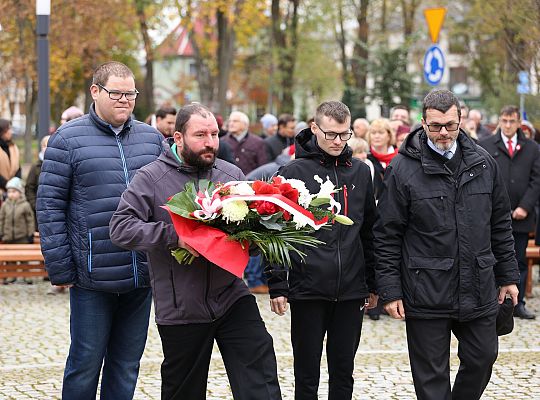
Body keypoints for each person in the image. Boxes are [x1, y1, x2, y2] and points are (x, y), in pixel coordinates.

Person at [109, 103, 281, 400]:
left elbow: (251, 235)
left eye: (214, 134)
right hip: (181, 305)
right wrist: (176, 237)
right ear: (178, 138)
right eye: (200, 135)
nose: (210, 142)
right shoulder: (151, 177)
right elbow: (120, 228)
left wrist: (253, 238)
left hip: (231, 296)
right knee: (183, 392)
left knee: (260, 376)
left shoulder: (231, 174)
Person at [374, 89, 520, 400]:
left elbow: (500, 225)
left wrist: (508, 276)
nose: (443, 132)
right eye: (436, 125)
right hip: (425, 286)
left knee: (482, 357)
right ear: (422, 122)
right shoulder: (402, 169)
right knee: (431, 377)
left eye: (450, 125)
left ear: (461, 120)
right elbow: (387, 234)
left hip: (478, 282)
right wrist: (390, 289)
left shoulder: (483, 163)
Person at [36, 61, 163, 400]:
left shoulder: (152, 140)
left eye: (130, 94)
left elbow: (168, 198)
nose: (124, 100)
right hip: (92, 274)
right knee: (85, 361)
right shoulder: (67, 139)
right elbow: (49, 207)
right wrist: (61, 267)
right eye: (116, 93)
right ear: (95, 91)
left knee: (126, 364)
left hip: (141, 272)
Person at [267, 100, 378, 400]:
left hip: (351, 289)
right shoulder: (291, 171)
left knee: (343, 371)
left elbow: (369, 230)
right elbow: (276, 232)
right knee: (307, 372)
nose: (338, 141)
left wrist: (373, 282)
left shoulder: (360, 172)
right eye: (331, 134)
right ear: (314, 128)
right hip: (308, 288)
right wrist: (278, 284)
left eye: (345, 134)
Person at [479, 105, 540, 319]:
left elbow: (537, 180)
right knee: (492, 258)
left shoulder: (532, 148)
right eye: (503, 120)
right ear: (499, 121)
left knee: (519, 260)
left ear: (518, 123)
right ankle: (494, 302)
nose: (507, 125)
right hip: (492, 216)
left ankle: (518, 303)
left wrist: (525, 206)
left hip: (521, 216)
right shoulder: (485, 145)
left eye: (511, 121)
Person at [0, 177, 35, 285]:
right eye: (9, 191)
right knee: (10, 260)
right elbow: (1, 220)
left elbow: (30, 220)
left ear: (20, 192)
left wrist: (30, 234)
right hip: (8, 237)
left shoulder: (25, 205)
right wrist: (1, 233)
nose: (11, 194)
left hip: (22, 237)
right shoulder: (5, 205)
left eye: (14, 191)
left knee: (24, 259)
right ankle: (11, 276)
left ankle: (26, 276)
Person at [25, 135, 50, 228]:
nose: (47, 148)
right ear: (41, 147)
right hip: (39, 213)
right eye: (45, 145)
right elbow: (29, 188)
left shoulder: (60, 164)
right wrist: (35, 205)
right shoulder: (35, 167)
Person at [0, 119, 21, 195]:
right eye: (8, 129)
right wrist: (7, 185)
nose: (10, 131)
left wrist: (14, 184)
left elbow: (18, 168)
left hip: (14, 192)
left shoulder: (13, 147)